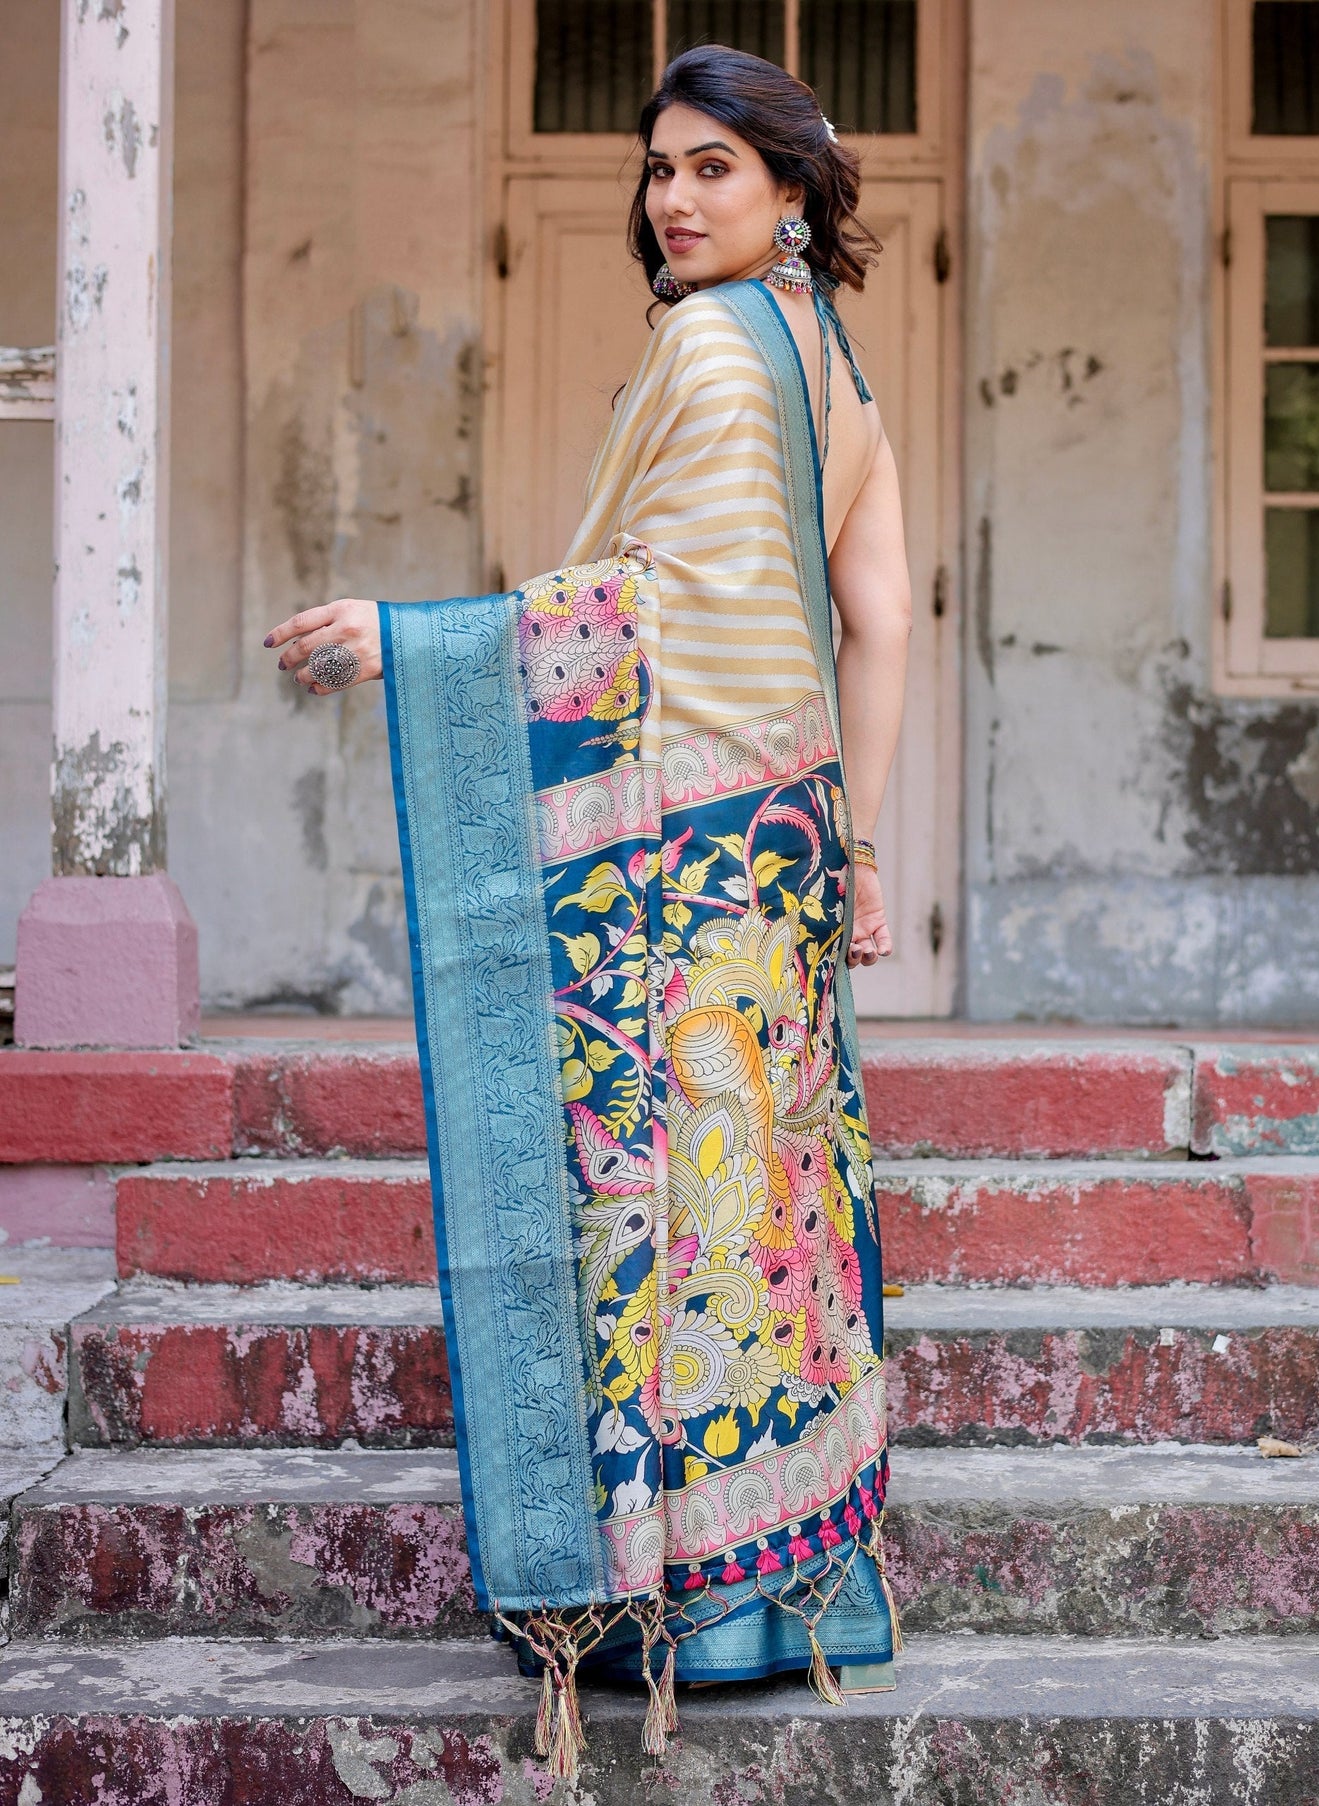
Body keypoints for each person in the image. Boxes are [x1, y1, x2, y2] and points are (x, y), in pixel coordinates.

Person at [263, 43, 912, 1779]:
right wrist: (849, 841)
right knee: (759, 1212)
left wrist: (415, 641)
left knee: (673, 1220)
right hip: (770, 850)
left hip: (685, 866)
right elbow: (881, 619)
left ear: (789, 187)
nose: (675, 199)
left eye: (714, 168)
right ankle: (794, 1600)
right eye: (659, 170)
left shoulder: (708, 346)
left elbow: (636, 607)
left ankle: (662, 1604)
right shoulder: (832, 360)